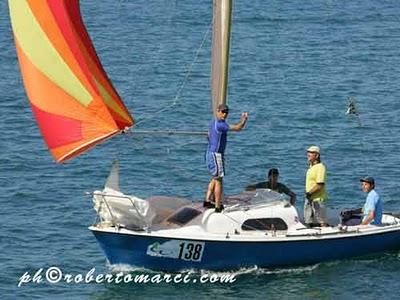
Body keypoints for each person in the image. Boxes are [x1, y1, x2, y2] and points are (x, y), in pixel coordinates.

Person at [204, 104, 248, 212]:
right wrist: (244, 119)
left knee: (214, 178)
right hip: (216, 155)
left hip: (210, 153)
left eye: (226, 112)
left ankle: (207, 200)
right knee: (219, 180)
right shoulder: (220, 125)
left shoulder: (212, 124)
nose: (224, 114)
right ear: (217, 111)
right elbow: (238, 128)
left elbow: (208, 136)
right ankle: (218, 206)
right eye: (222, 112)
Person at [304, 145, 328, 227]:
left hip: (317, 199)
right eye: (308, 152)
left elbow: (320, 185)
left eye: (311, 153)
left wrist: (309, 193)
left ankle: (325, 236)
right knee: (309, 221)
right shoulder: (311, 167)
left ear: (317, 155)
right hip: (310, 199)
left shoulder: (320, 167)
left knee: (321, 221)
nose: (308, 154)